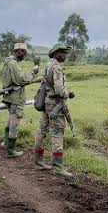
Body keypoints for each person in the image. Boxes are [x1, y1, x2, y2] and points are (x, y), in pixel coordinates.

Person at [33, 43, 75, 177]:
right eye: (63, 52)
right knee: (57, 133)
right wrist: (69, 93)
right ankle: (58, 167)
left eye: (65, 52)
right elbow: (59, 90)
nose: (65, 55)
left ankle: (39, 163)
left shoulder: (48, 65)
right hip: (55, 104)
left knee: (41, 131)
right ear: (56, 53)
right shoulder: (56, 67)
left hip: (46, 103)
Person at [0, 42, 39, 158]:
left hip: (9, 97)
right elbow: (22, 80)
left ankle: (6, 143)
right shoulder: (13, 63)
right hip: (15, 98)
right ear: (20, 51)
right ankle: (11, 150)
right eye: (24, 53)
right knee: (15, 123)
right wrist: (33, 72)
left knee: (10, 120)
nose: (24, 55)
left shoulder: (9, 62)